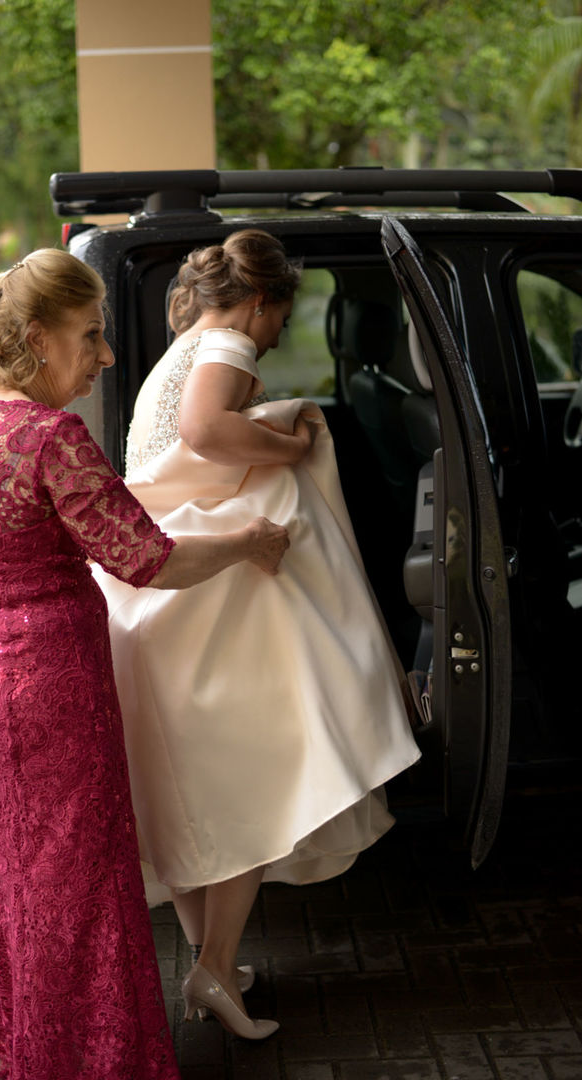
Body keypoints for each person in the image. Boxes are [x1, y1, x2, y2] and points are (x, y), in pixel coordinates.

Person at [0, 248, 289, 1080]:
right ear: (39, 339)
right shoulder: (51, 436)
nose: (106, 357)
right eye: (91, 336)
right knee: (75, 885)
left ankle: (17, 1053)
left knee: (6, 884)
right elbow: (146, 559)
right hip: (47, 684)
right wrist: (247, 541)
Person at [94, 228, 422, 1040]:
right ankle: (211, 973)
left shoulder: (181, 347)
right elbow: (207, 434)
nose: (276, 333)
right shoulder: (229, 340)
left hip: (170, 598)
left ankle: (213, 959)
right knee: (253, 775)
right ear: (263, 301)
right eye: (283, 315)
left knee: (201, 783)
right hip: (217, 600)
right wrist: (289, 443)